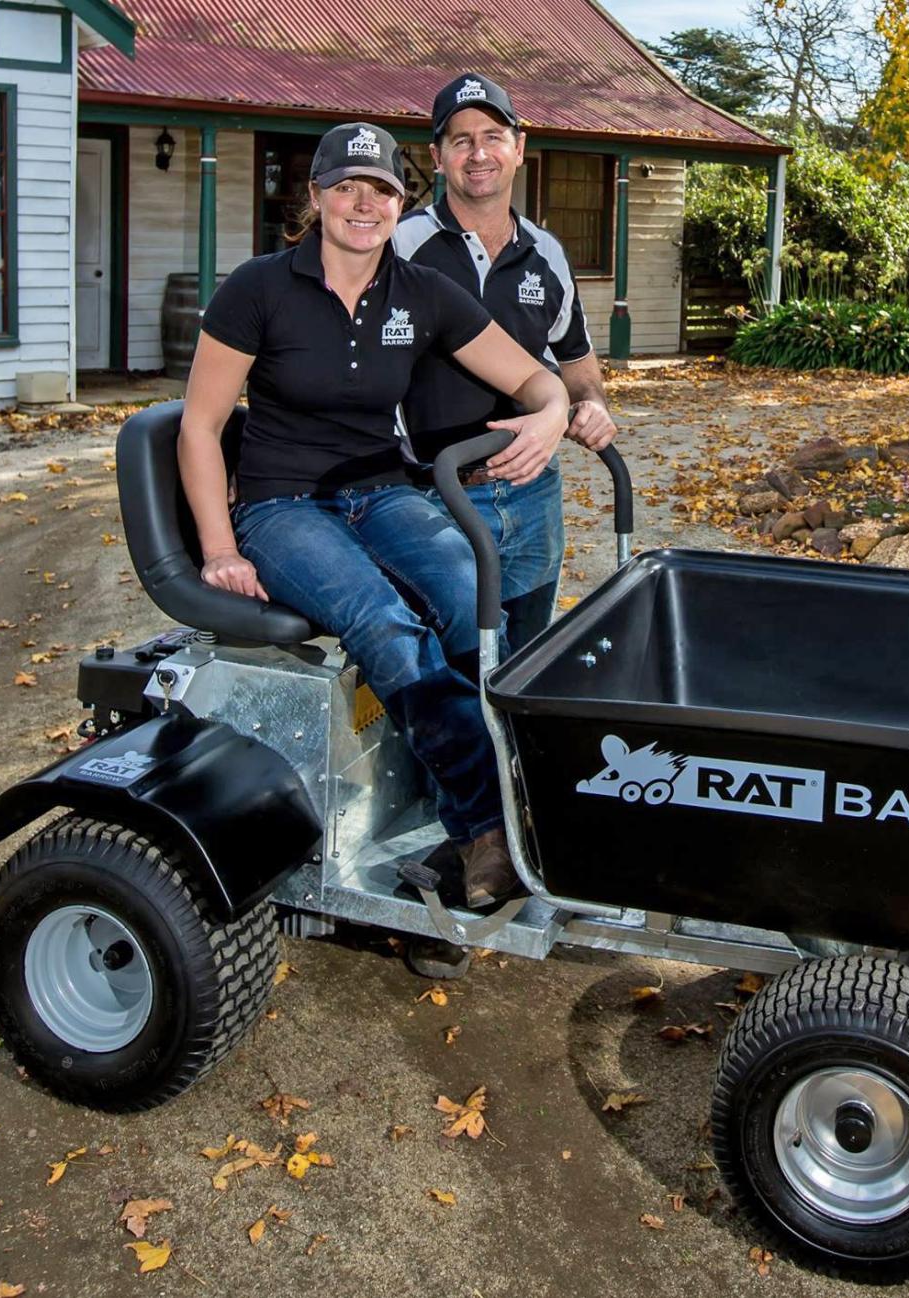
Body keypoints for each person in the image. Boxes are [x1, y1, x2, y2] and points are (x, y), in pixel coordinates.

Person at [178, 121, 568, 910]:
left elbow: (537, 380)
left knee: (471, 598)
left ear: (401, 201)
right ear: (317, 195)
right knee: (384, 622)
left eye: (381, 189)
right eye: (347, 187)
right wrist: (220, 547)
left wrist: (554, 415)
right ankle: (485, 829)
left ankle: (500, 793)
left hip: (384, 493)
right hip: (283, 508)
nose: (364, 203)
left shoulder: (419, 291)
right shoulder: (258, 288)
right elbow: (198, 425)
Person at [394, 73, 617, 651]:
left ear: (519, 147)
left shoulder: (547, 253)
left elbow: (577, 361)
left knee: (524, 654)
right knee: (443, 658)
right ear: (437, 157)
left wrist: (591, 405)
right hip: (432, 492)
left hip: (532, 490)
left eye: (492, 136)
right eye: (461, 139)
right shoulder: (399, 248)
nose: (478, 153)